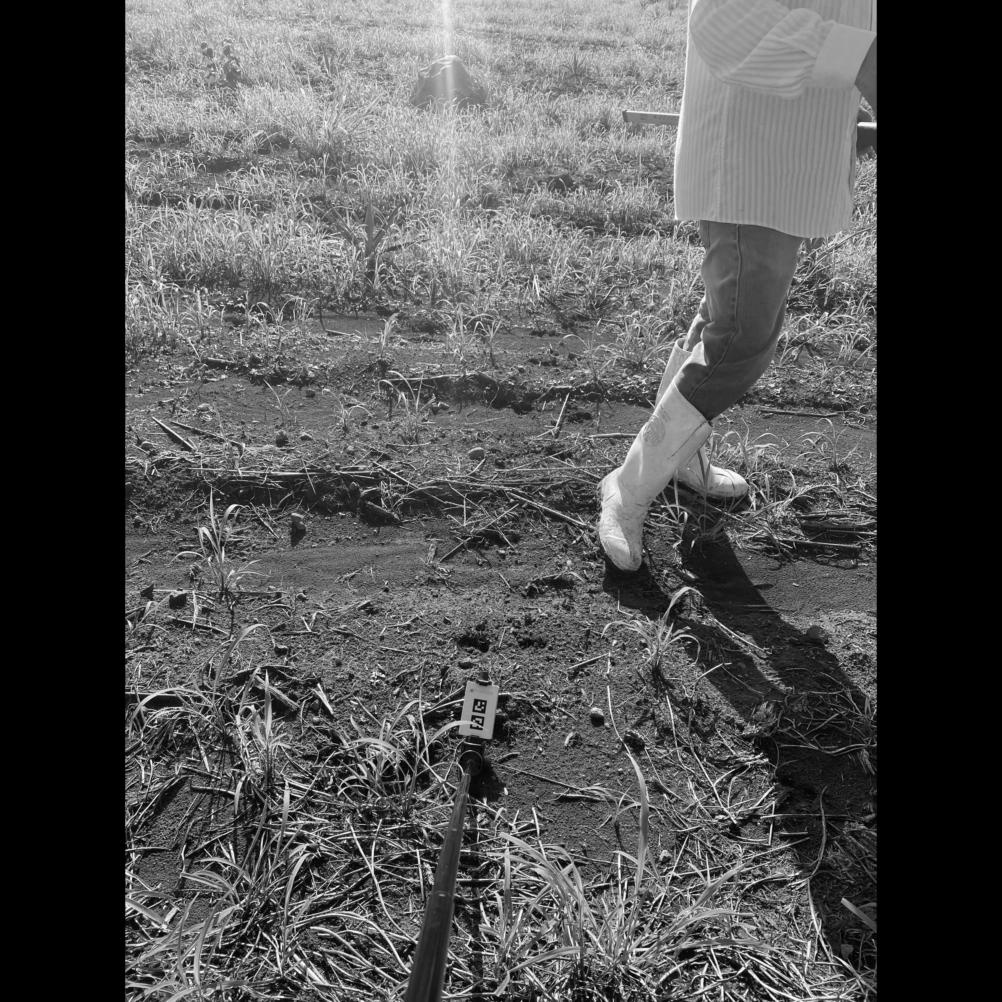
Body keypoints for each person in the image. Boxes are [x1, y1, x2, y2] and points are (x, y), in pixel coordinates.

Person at [598, 0, 876, 572]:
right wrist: (862, 56)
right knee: (741, 336)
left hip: (790, 155)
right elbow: (722, 20)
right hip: (751, 153)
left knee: (725, 314)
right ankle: (628, 485)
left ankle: (679, 461)